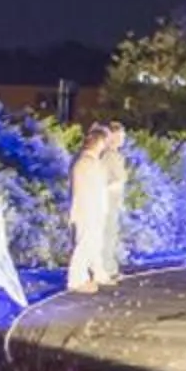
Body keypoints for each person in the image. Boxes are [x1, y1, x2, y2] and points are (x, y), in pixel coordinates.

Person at [65, 126, 115, 294]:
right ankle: (76, 280)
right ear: (99, 142)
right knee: (84, 244)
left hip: (94, 210)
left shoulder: (92, 162)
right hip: (87, 210)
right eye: (105, 142)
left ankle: (98, 273)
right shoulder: (84, 163)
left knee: (94, 244)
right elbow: (82, 191)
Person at [96, 123, 129, 282]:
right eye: (120, 136)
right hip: (106, 201)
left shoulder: (116, 156)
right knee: (106, 235)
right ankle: (105, 269)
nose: (123, 139)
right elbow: (104, 181)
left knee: (111, 234)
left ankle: (110, 267)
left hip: (113, 202)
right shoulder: (107, 156)